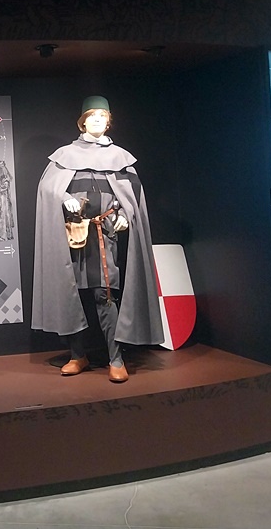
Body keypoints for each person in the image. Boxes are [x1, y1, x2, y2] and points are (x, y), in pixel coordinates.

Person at [32, 96, 163, 383]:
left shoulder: (120, 158)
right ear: (82, 121)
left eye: (102, 116)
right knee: (70, 295)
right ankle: (77, 355)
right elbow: (48, 190)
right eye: (92, 116)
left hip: (104, 236)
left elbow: (131, 198)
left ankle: (116, 358)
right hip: (72, 237)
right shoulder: (65, 156)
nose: (97, 121)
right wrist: (63, 197)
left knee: (104, 295)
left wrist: (124, 214)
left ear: (108, 122)